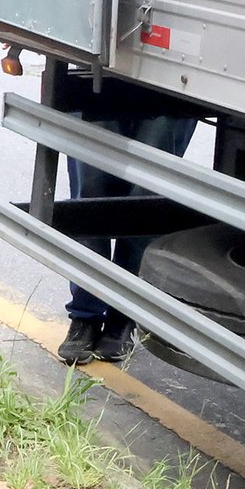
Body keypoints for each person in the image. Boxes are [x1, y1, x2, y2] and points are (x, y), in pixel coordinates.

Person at [58, 107, 199, 364]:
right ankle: (84, 316)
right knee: (91, 190)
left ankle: (124, 316)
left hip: (172, 79)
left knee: (147, 196)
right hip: (98, 75)